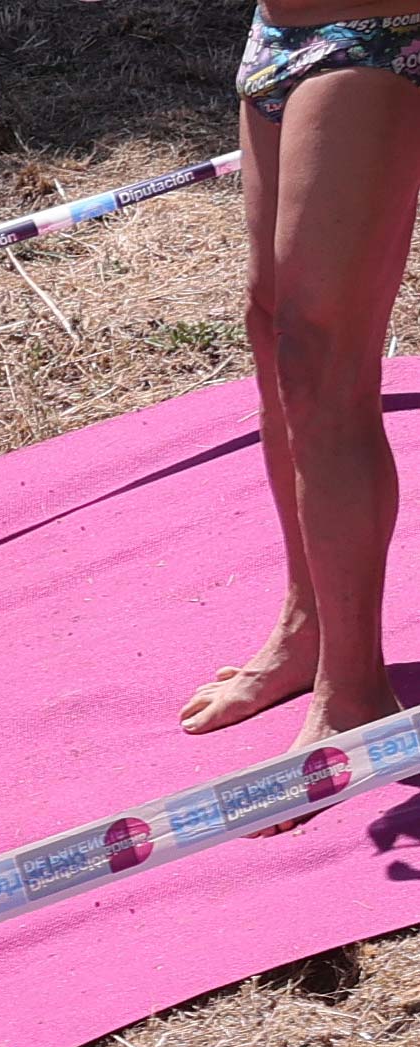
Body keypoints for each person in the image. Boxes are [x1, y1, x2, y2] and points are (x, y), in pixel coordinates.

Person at [186, 9, 420, 737]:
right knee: (273, 334)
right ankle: (306, 627)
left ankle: (353, 692)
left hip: (378, 32)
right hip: (278, 34)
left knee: (322, 358)